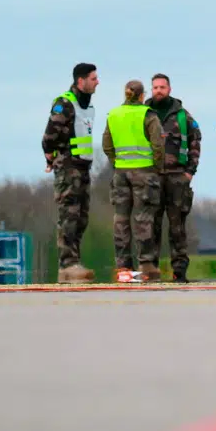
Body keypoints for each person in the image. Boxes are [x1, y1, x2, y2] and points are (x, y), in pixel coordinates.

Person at [43, 63, 99, 284]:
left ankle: (74, 261)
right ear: (80, 81)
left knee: (81, 217)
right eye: (93, 78)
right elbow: (49, 137)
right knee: (69, 215)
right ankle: (67, 263)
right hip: (68, 167)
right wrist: (50, 157)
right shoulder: (65, 104)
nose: (97, 82)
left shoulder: (87, 106)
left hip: (83, 168)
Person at [103, 80, 165, 281]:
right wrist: (156, 167)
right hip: (144, 172)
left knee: (120, 219)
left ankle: (123, 267)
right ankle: (146, 264)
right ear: (141, 95)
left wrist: (117, 162)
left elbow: (107, 145)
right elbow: (158, 144)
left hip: (120, 172)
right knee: (143, 218)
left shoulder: (113, 115)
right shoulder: (148, 115)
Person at [148, 74, 200, 283]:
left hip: (177, 177)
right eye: (155, 87)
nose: (158, 91)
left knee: (177, 227)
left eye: (162, 87)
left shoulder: (182, 116)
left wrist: (190, 171)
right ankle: (150, 270)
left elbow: (196, 142)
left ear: (169, 89)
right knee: (151, 225)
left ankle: (179, 271)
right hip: (152, 177)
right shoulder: (145, 114)